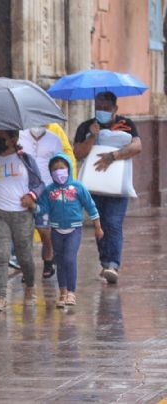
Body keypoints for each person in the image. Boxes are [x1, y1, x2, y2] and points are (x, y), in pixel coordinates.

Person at [73, 91, 142, 284]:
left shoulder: (127, 124)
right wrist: (92, 137)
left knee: (113, 222)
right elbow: (78, 153)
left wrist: (113, 156)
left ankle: (113, 264)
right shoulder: (86, 126)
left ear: (115, 108)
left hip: (117, 186)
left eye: (106, 108)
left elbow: (137, 147)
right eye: (98, 107)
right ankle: (105, 263)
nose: (102, 111)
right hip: (94, 187)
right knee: (100, 224)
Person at [0, 129, 44, 312]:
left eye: (2, 137)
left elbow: (39, 184)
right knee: (1, 256)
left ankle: (30, 286)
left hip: (22, 215)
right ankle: (0, 296)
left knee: (25, 256)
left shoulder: (26, 160)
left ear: (14, 139)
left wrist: (32, 195)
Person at [26, 154, 104, 307]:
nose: (58, 172)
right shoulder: (49, 191)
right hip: (56, 230)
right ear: (50, 172)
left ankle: (71, 292)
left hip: (74, 229)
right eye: (54, 169)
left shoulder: (78, 187)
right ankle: (62, 293)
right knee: (60, 261)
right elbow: (43, 209)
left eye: (61, 168)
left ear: (68, 168)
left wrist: (98, 226)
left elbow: (90, 206)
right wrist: (34, 207)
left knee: (69, 258)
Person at [19, 126, 64, 278]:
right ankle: (27, 268)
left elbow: (59, 165)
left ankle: (48, 260)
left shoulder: (54, 139)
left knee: (45, 231)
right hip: (23, 192)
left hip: (47, 193)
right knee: (24, 233)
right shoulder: (19, 137)